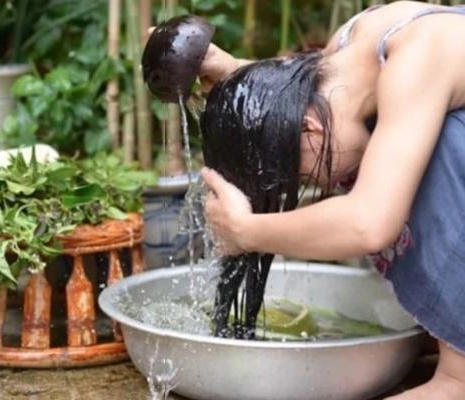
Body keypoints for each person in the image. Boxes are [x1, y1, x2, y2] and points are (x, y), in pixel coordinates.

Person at [196, 1, 465, 399]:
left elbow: (369, 223)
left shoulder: (419, 59)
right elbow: (302, 93)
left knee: (425, 157)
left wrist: (246, 231)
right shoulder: (348, 47)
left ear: (309, 129)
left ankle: (457, 375)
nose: (317, 184)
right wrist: (236, 70)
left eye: (302, 176)